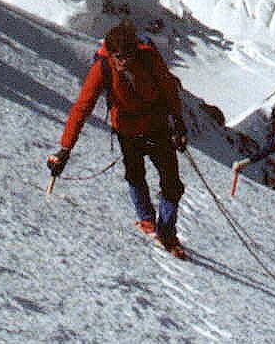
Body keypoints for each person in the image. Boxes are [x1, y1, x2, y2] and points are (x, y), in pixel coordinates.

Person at [47, 20, 189, 257]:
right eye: (119, 57)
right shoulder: (102, 68)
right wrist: (65, 148)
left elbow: (168, 89)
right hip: (128, 131)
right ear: (111, 54)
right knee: (135, 175)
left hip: (156, 127)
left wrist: (178, 122)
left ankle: (166, 233)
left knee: (172, 183)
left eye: (129, 55)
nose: (124, 61)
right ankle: (148, 221)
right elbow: (82, 107)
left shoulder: (149, 58)